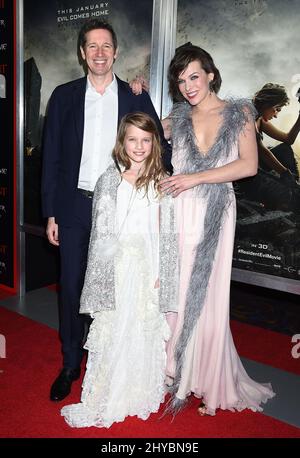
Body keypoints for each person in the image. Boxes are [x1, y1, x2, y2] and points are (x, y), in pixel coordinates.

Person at [41, 19, 172, 402]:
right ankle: (69, 363)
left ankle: (109, 361)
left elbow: (157, 144)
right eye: (91, 46)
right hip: (75, 207)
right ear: (82, 53)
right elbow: (51, 158)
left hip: (122, 210)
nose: (99, 52)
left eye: (106, 46)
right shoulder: (63, 96)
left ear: (115, 52)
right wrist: (51, 213)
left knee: (115, 290)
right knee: (71, 288)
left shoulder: (133, 96)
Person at [158, 43, 275, 416]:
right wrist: (135, 88)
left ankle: (204, 374)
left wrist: (194, 178)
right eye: (181, 80)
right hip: (178, 211)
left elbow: (249, 166)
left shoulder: (238, 112)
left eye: (194, 76)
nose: (188, 86)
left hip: (214, 212)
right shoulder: (174, 118)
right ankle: (171, 368)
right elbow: (136, 133)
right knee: (174, 288)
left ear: (210, 74)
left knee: (207, 294)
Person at [60, 112, 178, 428]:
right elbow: (100, 235)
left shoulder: (161, 182)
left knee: (141, 327)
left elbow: (165, 235)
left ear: (154, 144)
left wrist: (161, 274)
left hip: (146, 268)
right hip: (116, 268)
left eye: (145, 140)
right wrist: (101, 275)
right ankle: (108, 391)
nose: (139, 146)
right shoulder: (109, 181)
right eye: (132, 140)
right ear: (122, 143)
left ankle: (137, 390)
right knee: (114, 330)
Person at [237, 83, 300, 212]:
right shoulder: (246, 115)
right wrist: (285, 173)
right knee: (284, 193)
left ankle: (294, 186)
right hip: (241, 173)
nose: (276, 115)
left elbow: (288, 139)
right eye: (277, 109)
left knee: (285, 148)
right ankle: (290, 191)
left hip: (254, 165)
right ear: (268, 103)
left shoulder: (259, 118)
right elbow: (262, 152)